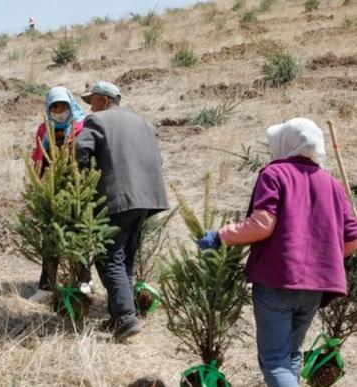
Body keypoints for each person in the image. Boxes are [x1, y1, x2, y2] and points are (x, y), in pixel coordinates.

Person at [196, 118, 357, 387]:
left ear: (287, 143)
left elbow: (262, 225)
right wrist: (320, 256)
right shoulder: (334, 185)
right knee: (292, 355)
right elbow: (351, 243)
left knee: (274, 360)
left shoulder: (275, 174)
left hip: (279, 281)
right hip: (318, 287)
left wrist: (220, 236)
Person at [76, 81, 168, 340]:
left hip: (117, 198)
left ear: (104, 101)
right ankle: (119, 317)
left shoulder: (98, 121)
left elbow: (81, 150)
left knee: (109, 259)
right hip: (147, 199)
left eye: (91, 100)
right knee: (124, 258)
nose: (89, 106)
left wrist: (80, 180)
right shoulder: (143, 123)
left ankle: (126, 318)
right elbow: (157, 160)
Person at [28, 86, 89, 303]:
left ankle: (84, 281)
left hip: (78, 189)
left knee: (79, 235)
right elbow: (39, 158)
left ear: (70, 104)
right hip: (51, 190)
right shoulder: (45, 130)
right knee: (50, 238)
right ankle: (46, 286)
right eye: (54, 106)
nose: (59, 110)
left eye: (63, 105)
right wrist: (38, 186)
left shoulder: (82, 126)